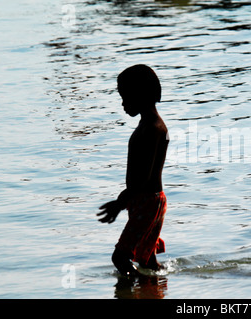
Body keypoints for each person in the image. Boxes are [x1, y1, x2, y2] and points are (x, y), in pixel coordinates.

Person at [97, 64, 169, 276]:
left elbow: (142, 180)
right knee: (147, 261)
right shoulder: (151, 125)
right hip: (148, 201)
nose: (123, 103)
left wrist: (120, 203)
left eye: (125, 97)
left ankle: (136, 290)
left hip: (146, 201)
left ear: (141, 94)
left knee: (119, 258)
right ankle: (154, 289)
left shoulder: (151, 129)